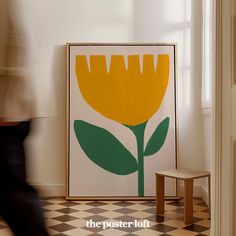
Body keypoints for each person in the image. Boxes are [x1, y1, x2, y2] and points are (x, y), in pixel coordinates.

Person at [0, 0, 50, 235]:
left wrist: (7, 105)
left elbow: (20, 42)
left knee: (13, 191)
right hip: (13, 105)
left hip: (7, 108)